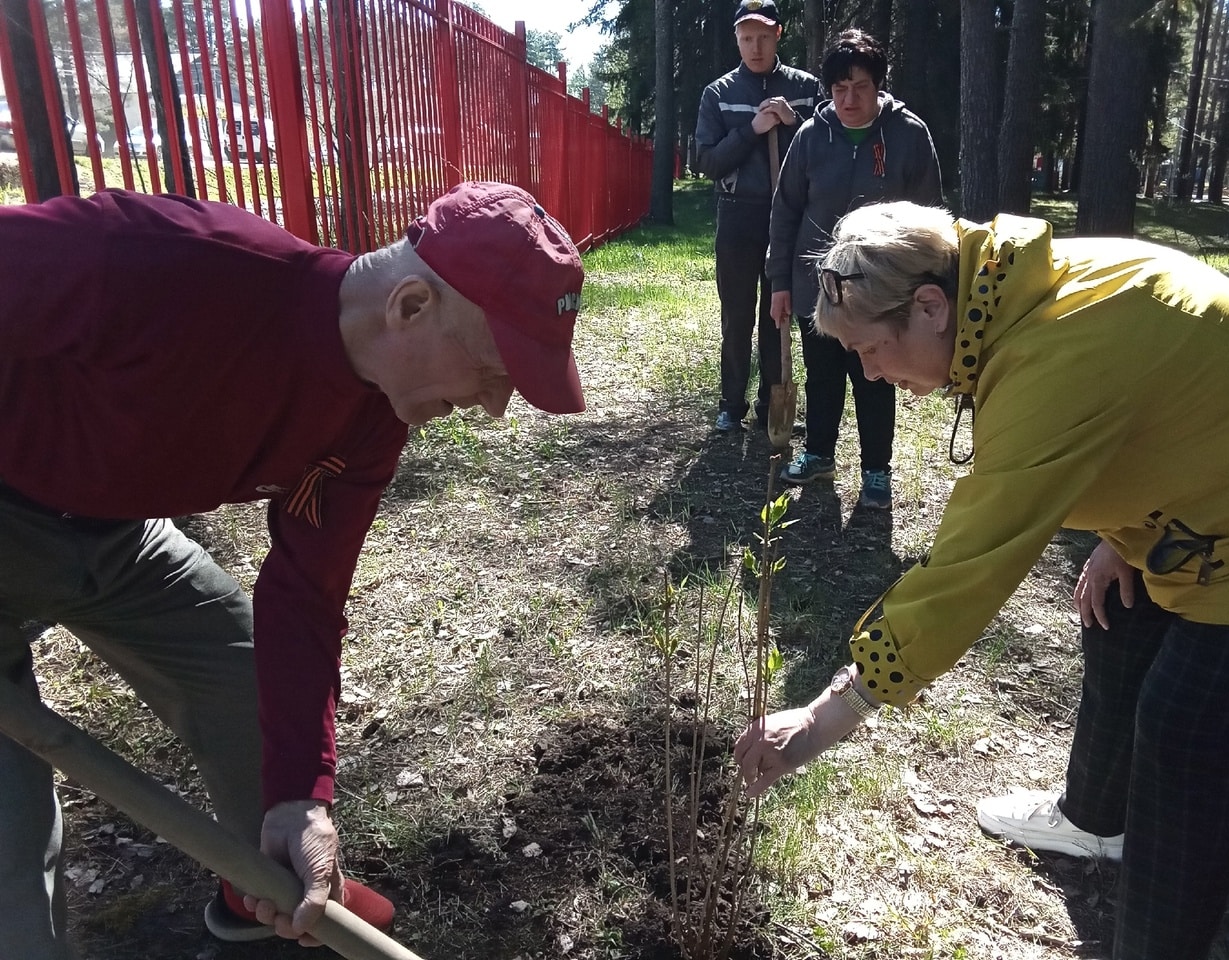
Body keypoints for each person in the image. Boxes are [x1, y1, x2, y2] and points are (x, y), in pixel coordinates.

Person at [0, 181, 585, 958]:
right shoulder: (159, 259)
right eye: (492, 369)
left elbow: (305, 595)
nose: (493, 407)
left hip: (116, 535)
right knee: (10, 839)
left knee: (248, 691)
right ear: (410, 307)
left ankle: (262, 906)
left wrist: (299, 798)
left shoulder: (376, 416)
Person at [734, 200, 1229, 960]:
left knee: (1184, 732)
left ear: (929, 306)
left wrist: (827, 717)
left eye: (870, 350)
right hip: (1203, 497)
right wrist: (1124, 539)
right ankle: (1095, 819)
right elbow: (1161, 396)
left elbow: (968, 568)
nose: (870, 373)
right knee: (1116, 618)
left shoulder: (1046, 355)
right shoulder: (1018, 297)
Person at [766, 29, 941, 507]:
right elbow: (785, 213)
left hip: (883, 291)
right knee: (822, 374)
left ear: (878, 86)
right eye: (839, 89)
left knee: (876, 376)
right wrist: (781, 281)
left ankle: (876, 471)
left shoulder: (908, 135)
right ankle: (819, 454)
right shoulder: (809, 137)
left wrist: (922, 285)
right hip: (816, 287)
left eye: (860, 87)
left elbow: (930, 216)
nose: (849, 99)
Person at [694, 0, 820, 433]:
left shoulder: (806, 87)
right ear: (736, 40)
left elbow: (825, 149)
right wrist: (751, 131)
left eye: (763, 36)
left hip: (787, 217)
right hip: (738, 215)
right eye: (747, 38)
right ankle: (731, 401)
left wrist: (793, 122)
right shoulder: (719, 93)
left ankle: (771, 400)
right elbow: (707, 162)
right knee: (737, 314)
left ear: (778, 35)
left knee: (778, 311)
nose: (755, 46)